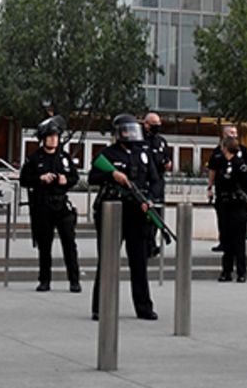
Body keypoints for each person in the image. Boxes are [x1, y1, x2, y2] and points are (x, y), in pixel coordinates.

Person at [88, 114, 160, 321]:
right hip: (112, 211)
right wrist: (112, 175)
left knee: (139, 261)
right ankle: (100, 307)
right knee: (108, 260)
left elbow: (155, 180)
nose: (129, 133)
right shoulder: (108, 154)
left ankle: (144, 307)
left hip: (137, 212)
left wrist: (151, 198)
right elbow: (93, 177)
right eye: (125, 130)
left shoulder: (143, 153)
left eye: (132, 129)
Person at [19, 115, 81, 293]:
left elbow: (74, 178)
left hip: (62, 206)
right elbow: (24, 180)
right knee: (44, 246)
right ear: (43, 138)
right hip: (43, 206)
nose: (54, 139)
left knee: (69, 244)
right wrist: (40, 178)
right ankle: (44, 280)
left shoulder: (64, 157)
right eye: (50, 136)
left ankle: (74, 280)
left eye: (56, 136)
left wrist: (65, 180)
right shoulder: (34, 158)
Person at [207, 124, 247, 282]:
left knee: (238, 240)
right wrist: (210, 188)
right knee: (227, 239)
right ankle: (226, 271)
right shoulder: (219, 159)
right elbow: (213, 174)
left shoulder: (240, 165)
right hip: (224, 204)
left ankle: (241, 272)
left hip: (238, 206)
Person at [142, 112, 172, 258]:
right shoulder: (140, 140)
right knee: (145, 216)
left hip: (158, 182)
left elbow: (167, 159)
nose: (157, 127)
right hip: (144, 182)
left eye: (158, 124)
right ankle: (146, 246)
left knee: (157, 215)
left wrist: (167, 164)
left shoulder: (161, 141)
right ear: (146, 124)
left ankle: (152, 244)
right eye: (154, 124)